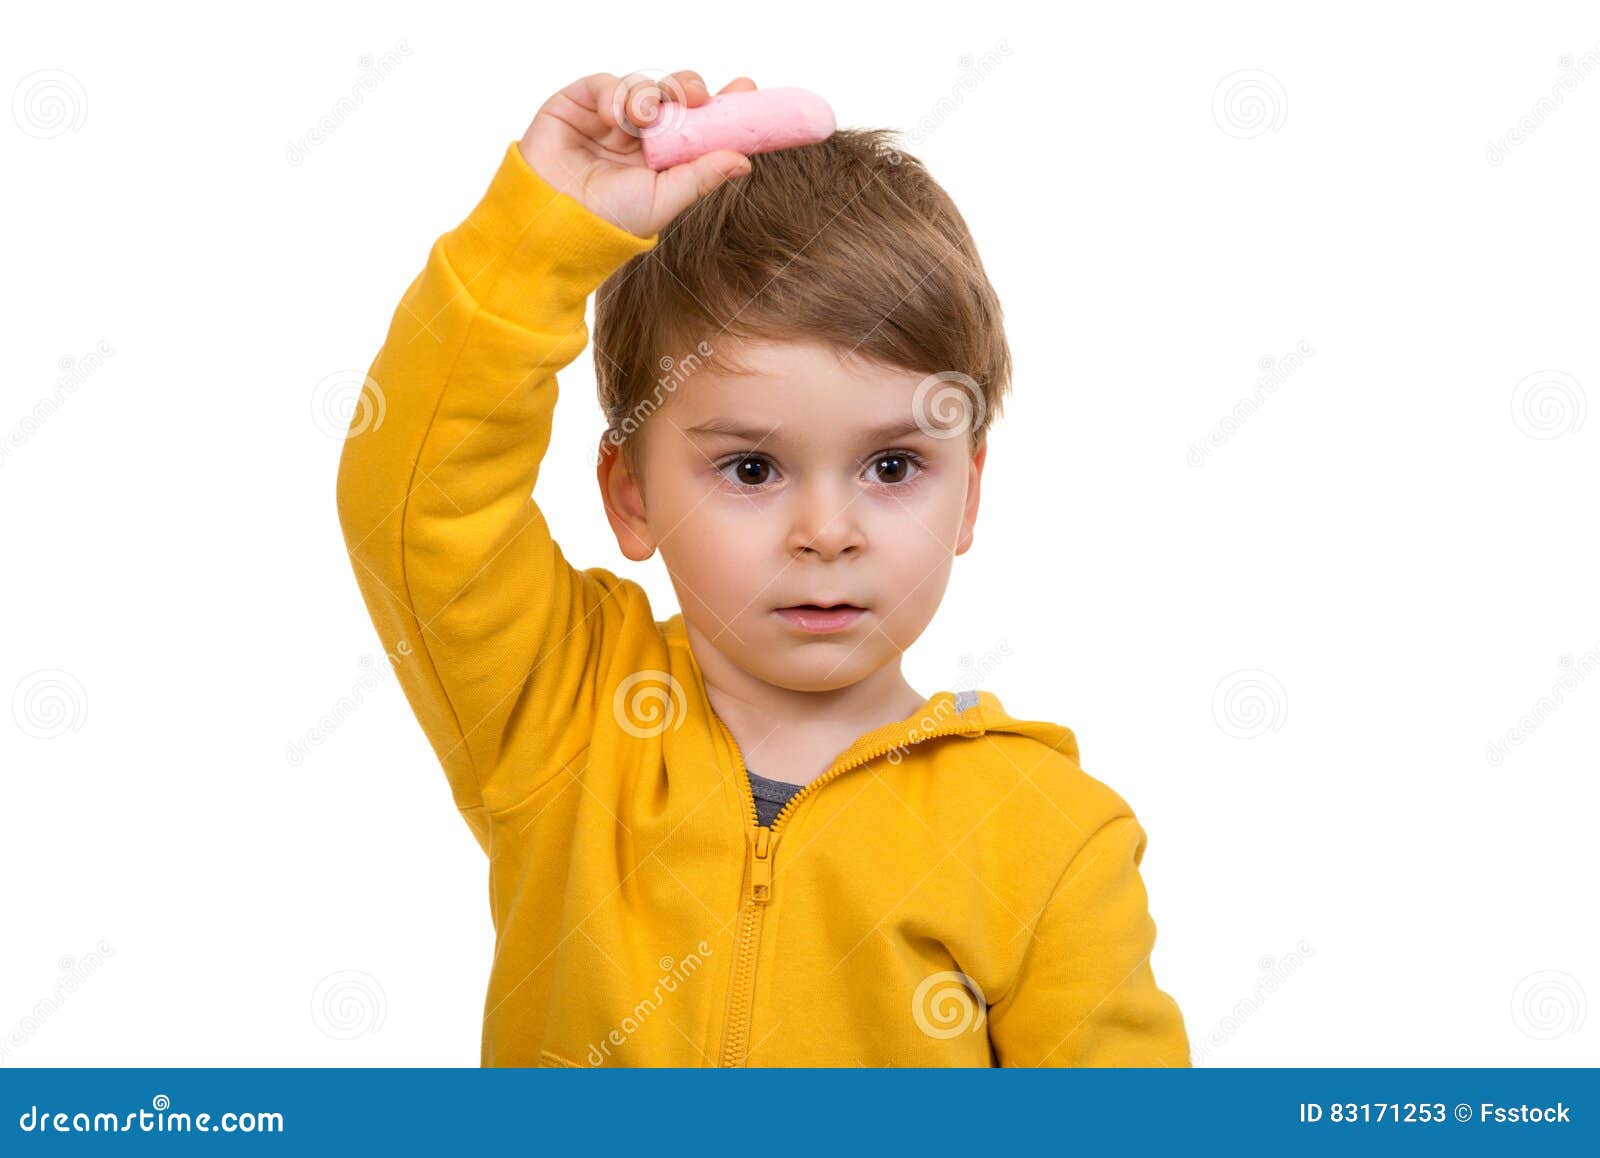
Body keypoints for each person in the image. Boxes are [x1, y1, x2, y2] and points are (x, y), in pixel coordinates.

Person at [335, 68, 1190, 1067]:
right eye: (750, 468)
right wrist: (542, 235)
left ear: (970, 488)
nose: (827, 532)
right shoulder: (561, 712)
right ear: (632, 494)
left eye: (891, 466)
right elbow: (415, 498)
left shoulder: (1047, 836)